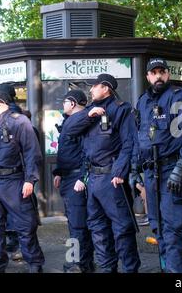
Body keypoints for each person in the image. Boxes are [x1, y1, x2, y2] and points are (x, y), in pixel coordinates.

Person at [132, 58, 182, 272]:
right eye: (154, 72)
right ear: (148, 76)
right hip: (151, 172)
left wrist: (181, 166)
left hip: (173, 170)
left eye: (162, 72)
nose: (158, 76)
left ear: (168, 74)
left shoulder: (180, 97)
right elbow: (138, 136)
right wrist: (134, 168)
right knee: (158, 228)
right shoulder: (143, 101)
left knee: (175, 230)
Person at [70, 73, 140, 273]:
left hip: (112, 178)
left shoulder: (121, 109)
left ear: (105, 88)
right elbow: (69, 131)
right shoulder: (90, 111)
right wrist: (87, 115)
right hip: (92, 178)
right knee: (97, 227)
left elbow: (129, 143)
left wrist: (120, 171)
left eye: (94, 86)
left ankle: (129, 269)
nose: (90, 90)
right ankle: (108, 268)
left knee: (122, 229)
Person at [0, 91, 44, 273]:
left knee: (25, 225)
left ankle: (34, 264)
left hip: (13, 180)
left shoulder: (18, 121)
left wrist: (30, 180)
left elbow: (32, 152)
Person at [52, 90, 94, 273]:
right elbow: (68, 152)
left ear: (73, 103)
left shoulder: (83, 121)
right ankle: (81, 262)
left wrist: (81, 177)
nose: (63, 105)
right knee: (74, 223)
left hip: (76, 179)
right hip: (68, 177)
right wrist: (59, 172)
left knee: (78, 224)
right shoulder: (71, 122)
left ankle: (77, 263)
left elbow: (87, 152)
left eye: (65, 101)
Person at [0, 83, 22, 260]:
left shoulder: (14, 117)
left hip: (12, 175)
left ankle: (15, 247)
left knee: (17, 216)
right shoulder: (19, 115)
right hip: (15, 174)